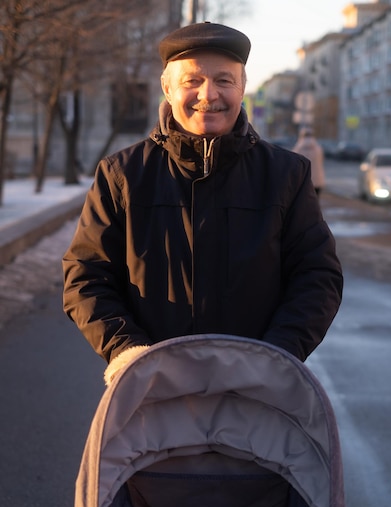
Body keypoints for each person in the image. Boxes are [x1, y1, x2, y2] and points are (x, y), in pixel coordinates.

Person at [62, 22, 343, 386]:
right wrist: (129, 355)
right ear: (167, 88)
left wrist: (277, 356)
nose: (208, 94)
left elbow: (318, 277)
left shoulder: (287, 174)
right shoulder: (122, 175)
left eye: (224, 80)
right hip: (151, 393)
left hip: (256, 392)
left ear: (243, 88)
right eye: (192, 80)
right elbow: (85, 276)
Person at [292, 127, 325, 197]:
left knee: (303, 204)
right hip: (317, 180)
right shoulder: (318, 148)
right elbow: (321, 161)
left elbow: (293, 165)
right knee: (315, 203)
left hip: (302, 182)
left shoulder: (297, 148)